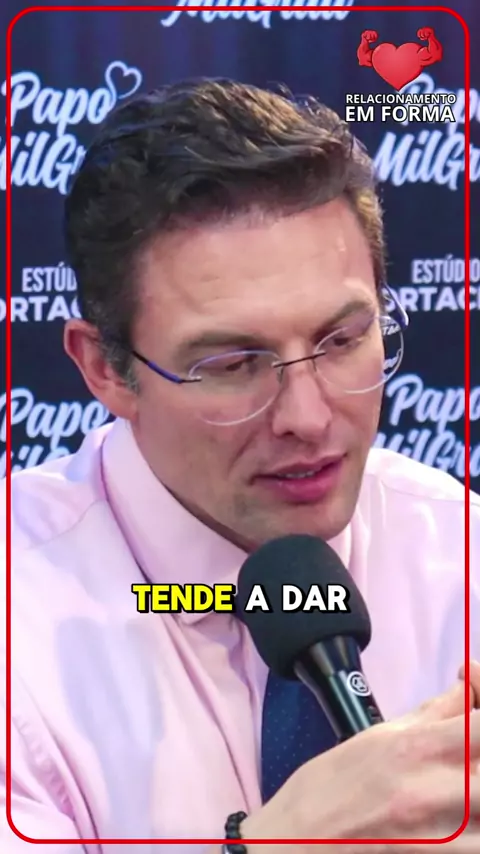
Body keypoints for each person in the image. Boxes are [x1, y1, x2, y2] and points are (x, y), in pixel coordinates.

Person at [1, 78, 479, 853]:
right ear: (105, 369)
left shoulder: (460, 553)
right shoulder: (17, 615)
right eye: (231, 365)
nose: (309, 418)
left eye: (342, 341)